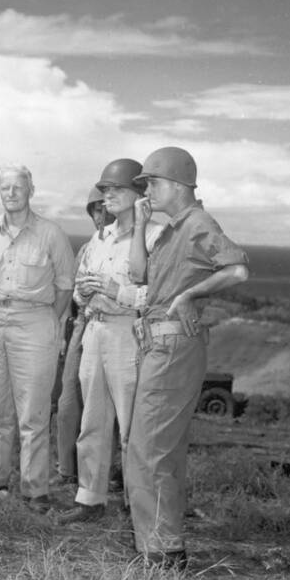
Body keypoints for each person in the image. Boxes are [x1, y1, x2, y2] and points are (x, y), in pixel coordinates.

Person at [127, 147, 248, 568]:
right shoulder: (169, 229)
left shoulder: (197, 223)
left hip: (173, 347)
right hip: (160, 346)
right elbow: (138, 274)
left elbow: (236, 269)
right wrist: (142, 222)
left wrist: (190, 294)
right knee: (161, 450)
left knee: (147, 451)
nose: (147, 190)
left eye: (153, 183)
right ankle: (165, 548)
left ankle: (159, 554)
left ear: (178, 185)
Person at [57, 159, 163, 525]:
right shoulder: (98, 238)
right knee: (92, 420)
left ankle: (141, 508)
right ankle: (90, 498)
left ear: (139, 193)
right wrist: (84, 293)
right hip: (95, 331)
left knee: (133, 426)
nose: (108, 196)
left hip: (128, 336)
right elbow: (79, 288)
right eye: (105, 190)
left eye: (116, 189)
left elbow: (159, 297)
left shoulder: (154, 236)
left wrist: (120, 292)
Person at [0, 164, 74, 513]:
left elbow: (65, 286)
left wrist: (49, 321)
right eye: (5, 188)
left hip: (35, 322)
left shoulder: (51, 234)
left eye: (18, 187)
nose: (11, 193)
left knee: (33, 411)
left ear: (31, 189)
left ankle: (35, 490)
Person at [52, 186, 114, 486]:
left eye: (106, 209)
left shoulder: (134, 245)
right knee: (67, 403)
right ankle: (66, 469)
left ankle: (110, 474)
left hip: (116, 327)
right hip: (81, 325)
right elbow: (72, 292)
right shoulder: (88, 248)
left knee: (108, 409)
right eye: (97, 210)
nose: (102, 216)